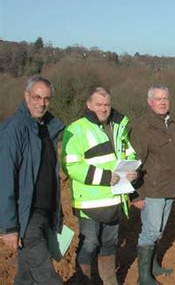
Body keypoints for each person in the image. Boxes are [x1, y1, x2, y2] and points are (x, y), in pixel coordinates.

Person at [62, 87, 137, 285]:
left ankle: (110, 281)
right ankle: (84, 281)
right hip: (89, 202)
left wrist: (131, 169)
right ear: (88, 105)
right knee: (90, 243)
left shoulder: (118, 127)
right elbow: (71, 165)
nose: (103, 109)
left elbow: (128, 152)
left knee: (110, 244)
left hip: (115, 198)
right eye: (98, 104)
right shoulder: (76, 129)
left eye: (106, 105)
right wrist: (104, 177)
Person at [0, 75, 64, 284]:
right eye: (37, 97)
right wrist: (9, 227)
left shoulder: (47, 128)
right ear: (26, 96)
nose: (42, 103)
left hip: (44, 212)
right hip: (26, 216)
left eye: (46, 98)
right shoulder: (14, 129)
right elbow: (5, 178)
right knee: (48, 277)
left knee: (26, 277)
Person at [130, 85, 175, 285]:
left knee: (158, 231)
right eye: (158, 99)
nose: (162, 102)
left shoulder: (170, 123)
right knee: (150, 231)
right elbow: (134, 163)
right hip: (151, 189)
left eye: (165, 98)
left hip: (168, 187)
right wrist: (136, 195)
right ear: (149, 102)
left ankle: (153, 267)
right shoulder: (143, 127)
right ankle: (143, 277)